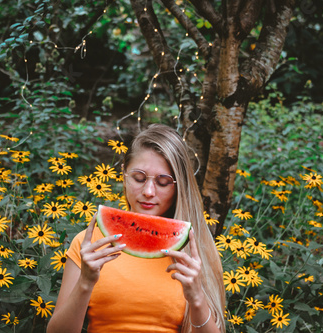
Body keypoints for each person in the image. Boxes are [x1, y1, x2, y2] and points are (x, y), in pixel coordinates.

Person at [47, 124, 226, 333]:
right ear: (124, 174)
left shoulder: (196, 253)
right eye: (139, 178)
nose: (148, 191)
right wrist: (85, 283)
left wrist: (197, 299)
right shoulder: (90, 246)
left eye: (163, 182)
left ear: (179, 186)